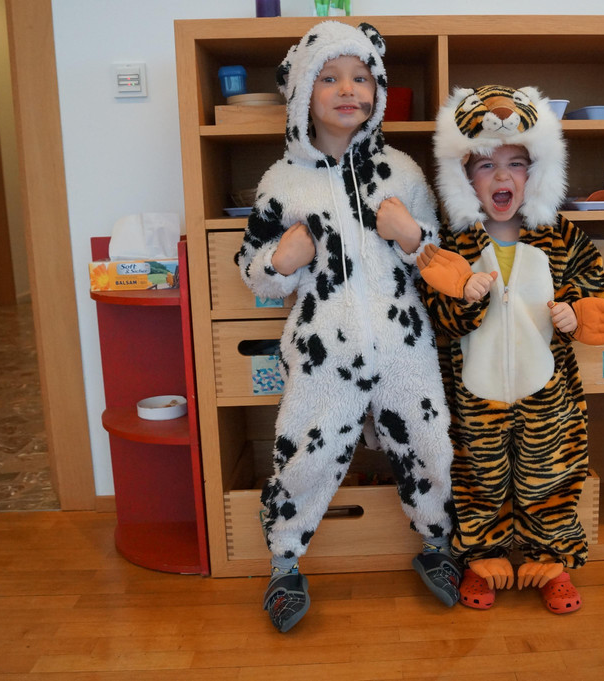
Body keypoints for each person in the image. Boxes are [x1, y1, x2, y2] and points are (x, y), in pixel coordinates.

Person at [236, 21, 460, 634]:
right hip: (323, 350)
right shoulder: (282, 182)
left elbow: (439, 256)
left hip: (404, 344)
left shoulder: (402, 172)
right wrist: (281, 261)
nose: (347, 89)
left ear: (377, 89)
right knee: (304, 455)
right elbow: (252, 271)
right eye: (329, 77)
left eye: (361, 77)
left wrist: (410, 235)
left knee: (431, 445)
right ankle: (284, 563)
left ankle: (437, 544)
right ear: (302, 91)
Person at [417, 84, 604, 613]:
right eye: (486, 166)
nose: (503, 177)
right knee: (478, 478)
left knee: (549, 474)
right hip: (473, 399)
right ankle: (481, 557)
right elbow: (437, 318)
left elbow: (592, 288)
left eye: (516, 164)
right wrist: (464, 296)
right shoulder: (453, 242)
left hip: (549, 396)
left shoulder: (561, 237)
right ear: (464, 176)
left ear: (538, 172)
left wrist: (575, 312)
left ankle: (552, 560)